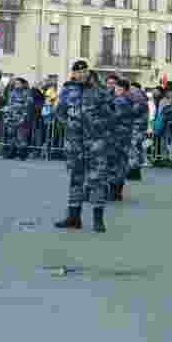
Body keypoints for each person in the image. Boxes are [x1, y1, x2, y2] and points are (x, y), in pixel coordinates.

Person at [54, 61, 116, 232]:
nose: (81, 74)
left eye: (84, 71)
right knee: (76, 179)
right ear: (73, 74)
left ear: (88, 72)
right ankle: (74, 217)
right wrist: (69, 124)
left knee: (97, 180)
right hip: (74, 144)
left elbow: (112, 114)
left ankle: (98, 219)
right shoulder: (68, 90)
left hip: (95, 143)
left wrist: (98, 126)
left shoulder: (100, 90)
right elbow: (59, 112)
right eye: (77, 72)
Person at [2, 77, 35, 160]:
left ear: (22, 84)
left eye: (18, 83)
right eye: (15, 83)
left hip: (22, 117)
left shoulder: (27, 93)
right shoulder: (12, 93)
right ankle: (11, 152)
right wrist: (7, 114)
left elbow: (28, 106)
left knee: (21, 136)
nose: (16, 84)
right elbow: (9, 104)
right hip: (12, 117)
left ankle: (22, 153)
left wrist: (24, 116)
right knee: (11, 135)